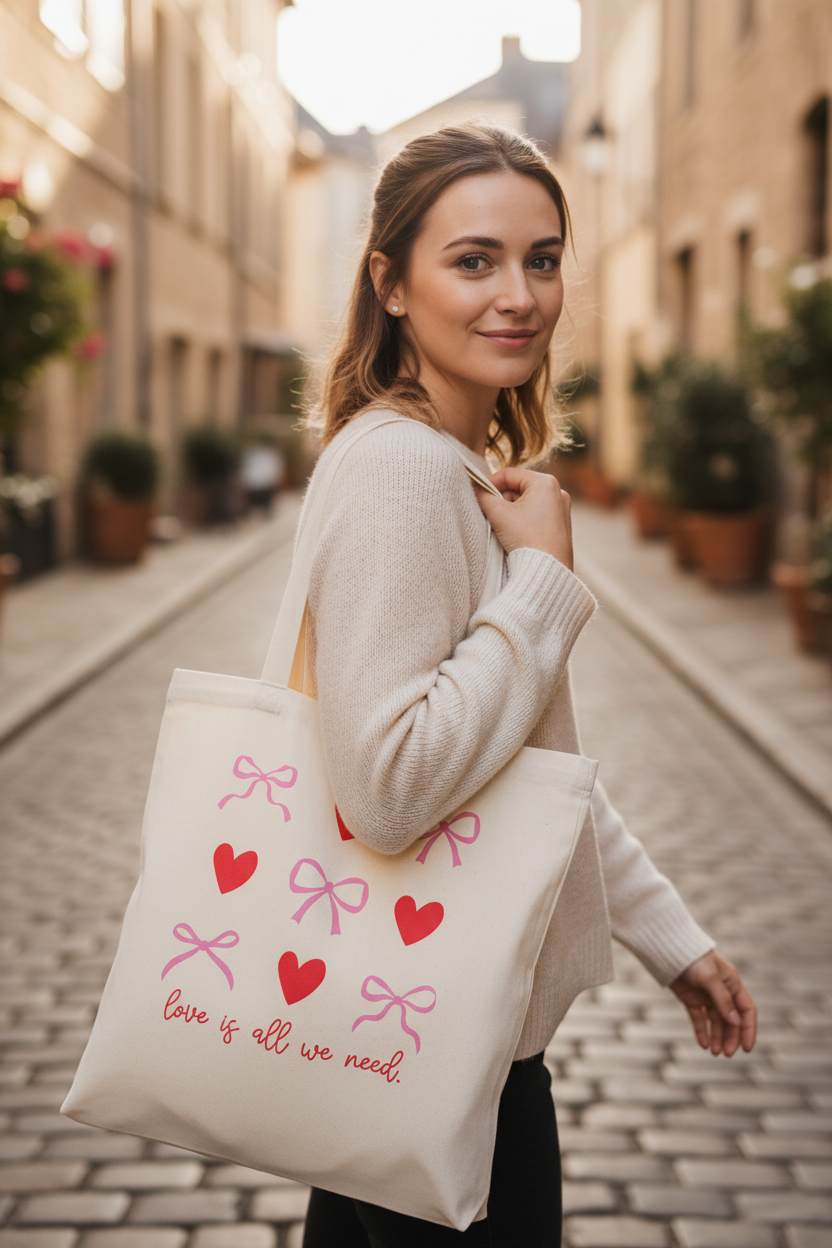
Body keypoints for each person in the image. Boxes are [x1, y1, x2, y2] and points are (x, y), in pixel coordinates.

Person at [298, 124, 756, 1248]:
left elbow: (516, 766)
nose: (519, 295)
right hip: (435, 1041)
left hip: (417, 1032)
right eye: (473, 260)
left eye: (541, 259)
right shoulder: (406, 471)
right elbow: (392, 785)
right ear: (389, 283)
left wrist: (669, 937)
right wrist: (541, 583)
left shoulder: (452, 468)